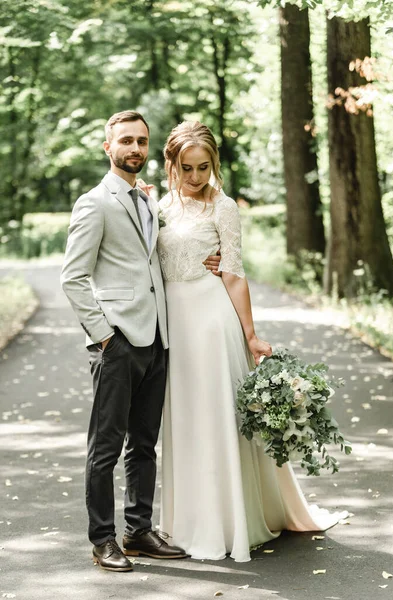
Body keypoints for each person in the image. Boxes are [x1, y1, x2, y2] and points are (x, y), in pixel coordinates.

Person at [157, 121, 346, 563]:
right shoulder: (158, 206)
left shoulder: (222, 207)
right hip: (174, 328)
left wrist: (251, 334)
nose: (196, 177)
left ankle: (231, 521)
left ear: (214, 165)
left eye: (204, 167)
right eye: (187, 168)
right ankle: (186, 522)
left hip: (211, 322)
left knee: (218, 418)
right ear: (172, 164)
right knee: (185, 420)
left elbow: (234, 273)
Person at [60, 110, 220, 572]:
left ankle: (139, 530)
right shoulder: (95, 202)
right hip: (118, 341)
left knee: (144, 444)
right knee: (105, 447)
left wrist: (212, 256)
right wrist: (104, 336)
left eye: (141, 141)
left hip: (157, 338)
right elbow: (73, 278)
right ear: (107, 147)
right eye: (126, 141)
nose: (134, 149)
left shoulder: (146, 199)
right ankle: (102, 540)